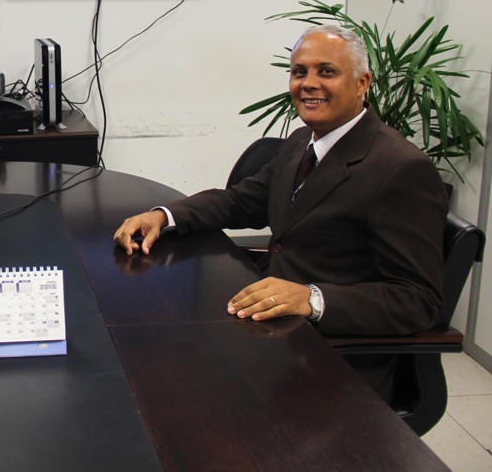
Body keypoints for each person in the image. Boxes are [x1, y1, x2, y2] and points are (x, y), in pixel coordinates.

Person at [113, 24, 447, 402]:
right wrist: (164, 216)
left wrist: (312, 298)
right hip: (272, 330)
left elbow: (418, 300)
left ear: (362, 83)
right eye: (299, 72)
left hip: (334, 359)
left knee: (181, 393)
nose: (309, 83)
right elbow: (242, 201)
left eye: (327, 71)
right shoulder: (303, 140)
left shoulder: (401, 168)